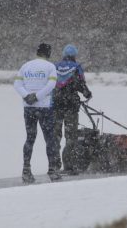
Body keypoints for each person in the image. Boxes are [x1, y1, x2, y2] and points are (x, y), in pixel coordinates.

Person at [14, 43, 62, 183]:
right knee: (50, 139)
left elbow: (17, 85)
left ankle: (26, 170)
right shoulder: (50, 67)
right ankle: (53, 171)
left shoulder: (25, 66)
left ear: (37, 52)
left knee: (30, 138)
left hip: (28, 107)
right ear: (48, 53)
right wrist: (37, 96)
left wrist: (27, 96)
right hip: (45, 107)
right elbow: (51, 85)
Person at [53, 44, 92, 175]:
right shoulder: (76, 67)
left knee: (55, 136)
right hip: (70, 106)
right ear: (74, 55)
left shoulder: (55, 66)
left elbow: (50, 84)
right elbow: (80, 83)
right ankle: (69, 166)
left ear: (64, 54)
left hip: (56, 105)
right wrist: (87, 93)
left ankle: (54, 165)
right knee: (70, 136)